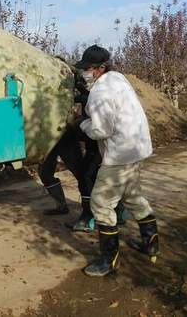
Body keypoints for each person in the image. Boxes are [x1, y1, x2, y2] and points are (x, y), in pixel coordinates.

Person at [75, 45, 159, 277]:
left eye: (88, 69)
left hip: (119, 155)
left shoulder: (99, 94)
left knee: (101, 204)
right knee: (132, 197)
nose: (85, 72)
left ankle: (108, 260)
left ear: (101, 68)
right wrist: (86, 98)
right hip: (137, 147)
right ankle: (150, 242)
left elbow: (101, 130)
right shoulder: (118, 78)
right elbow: (116, 105)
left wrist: (81, 123)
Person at [38, 67, 126, 232]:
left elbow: (88, 110)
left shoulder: (86, 92)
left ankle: (110, 211)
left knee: (84, 176)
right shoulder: (43, 89)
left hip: (68, 138)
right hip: (47, 138)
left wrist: (77, 122)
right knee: (45, 173)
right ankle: (62, 206)